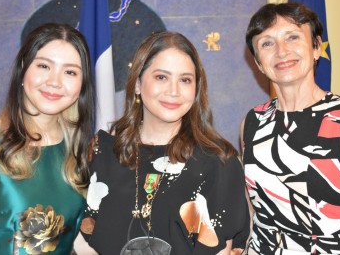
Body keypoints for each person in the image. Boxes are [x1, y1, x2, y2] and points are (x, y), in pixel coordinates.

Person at [74, 31, 250, 254]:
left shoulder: (219, 162)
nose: (174, 91)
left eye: (185, 80)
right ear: (137, 84)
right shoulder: (102, 151)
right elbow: (80, 237)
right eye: (161, 77)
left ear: (196, 89)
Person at [241, 2, 340, 254]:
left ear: (315, 48)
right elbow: (253, 216)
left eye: (292, 37)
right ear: (258, 63)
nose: (281, 51)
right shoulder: (252, 121)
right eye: (267, 43)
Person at [0, 23, 94, 254]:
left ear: (81, 85)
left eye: (70, 71)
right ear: (22, 69)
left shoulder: (78, 151)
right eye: (44, 66)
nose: (55, 81)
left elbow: (74, 242)